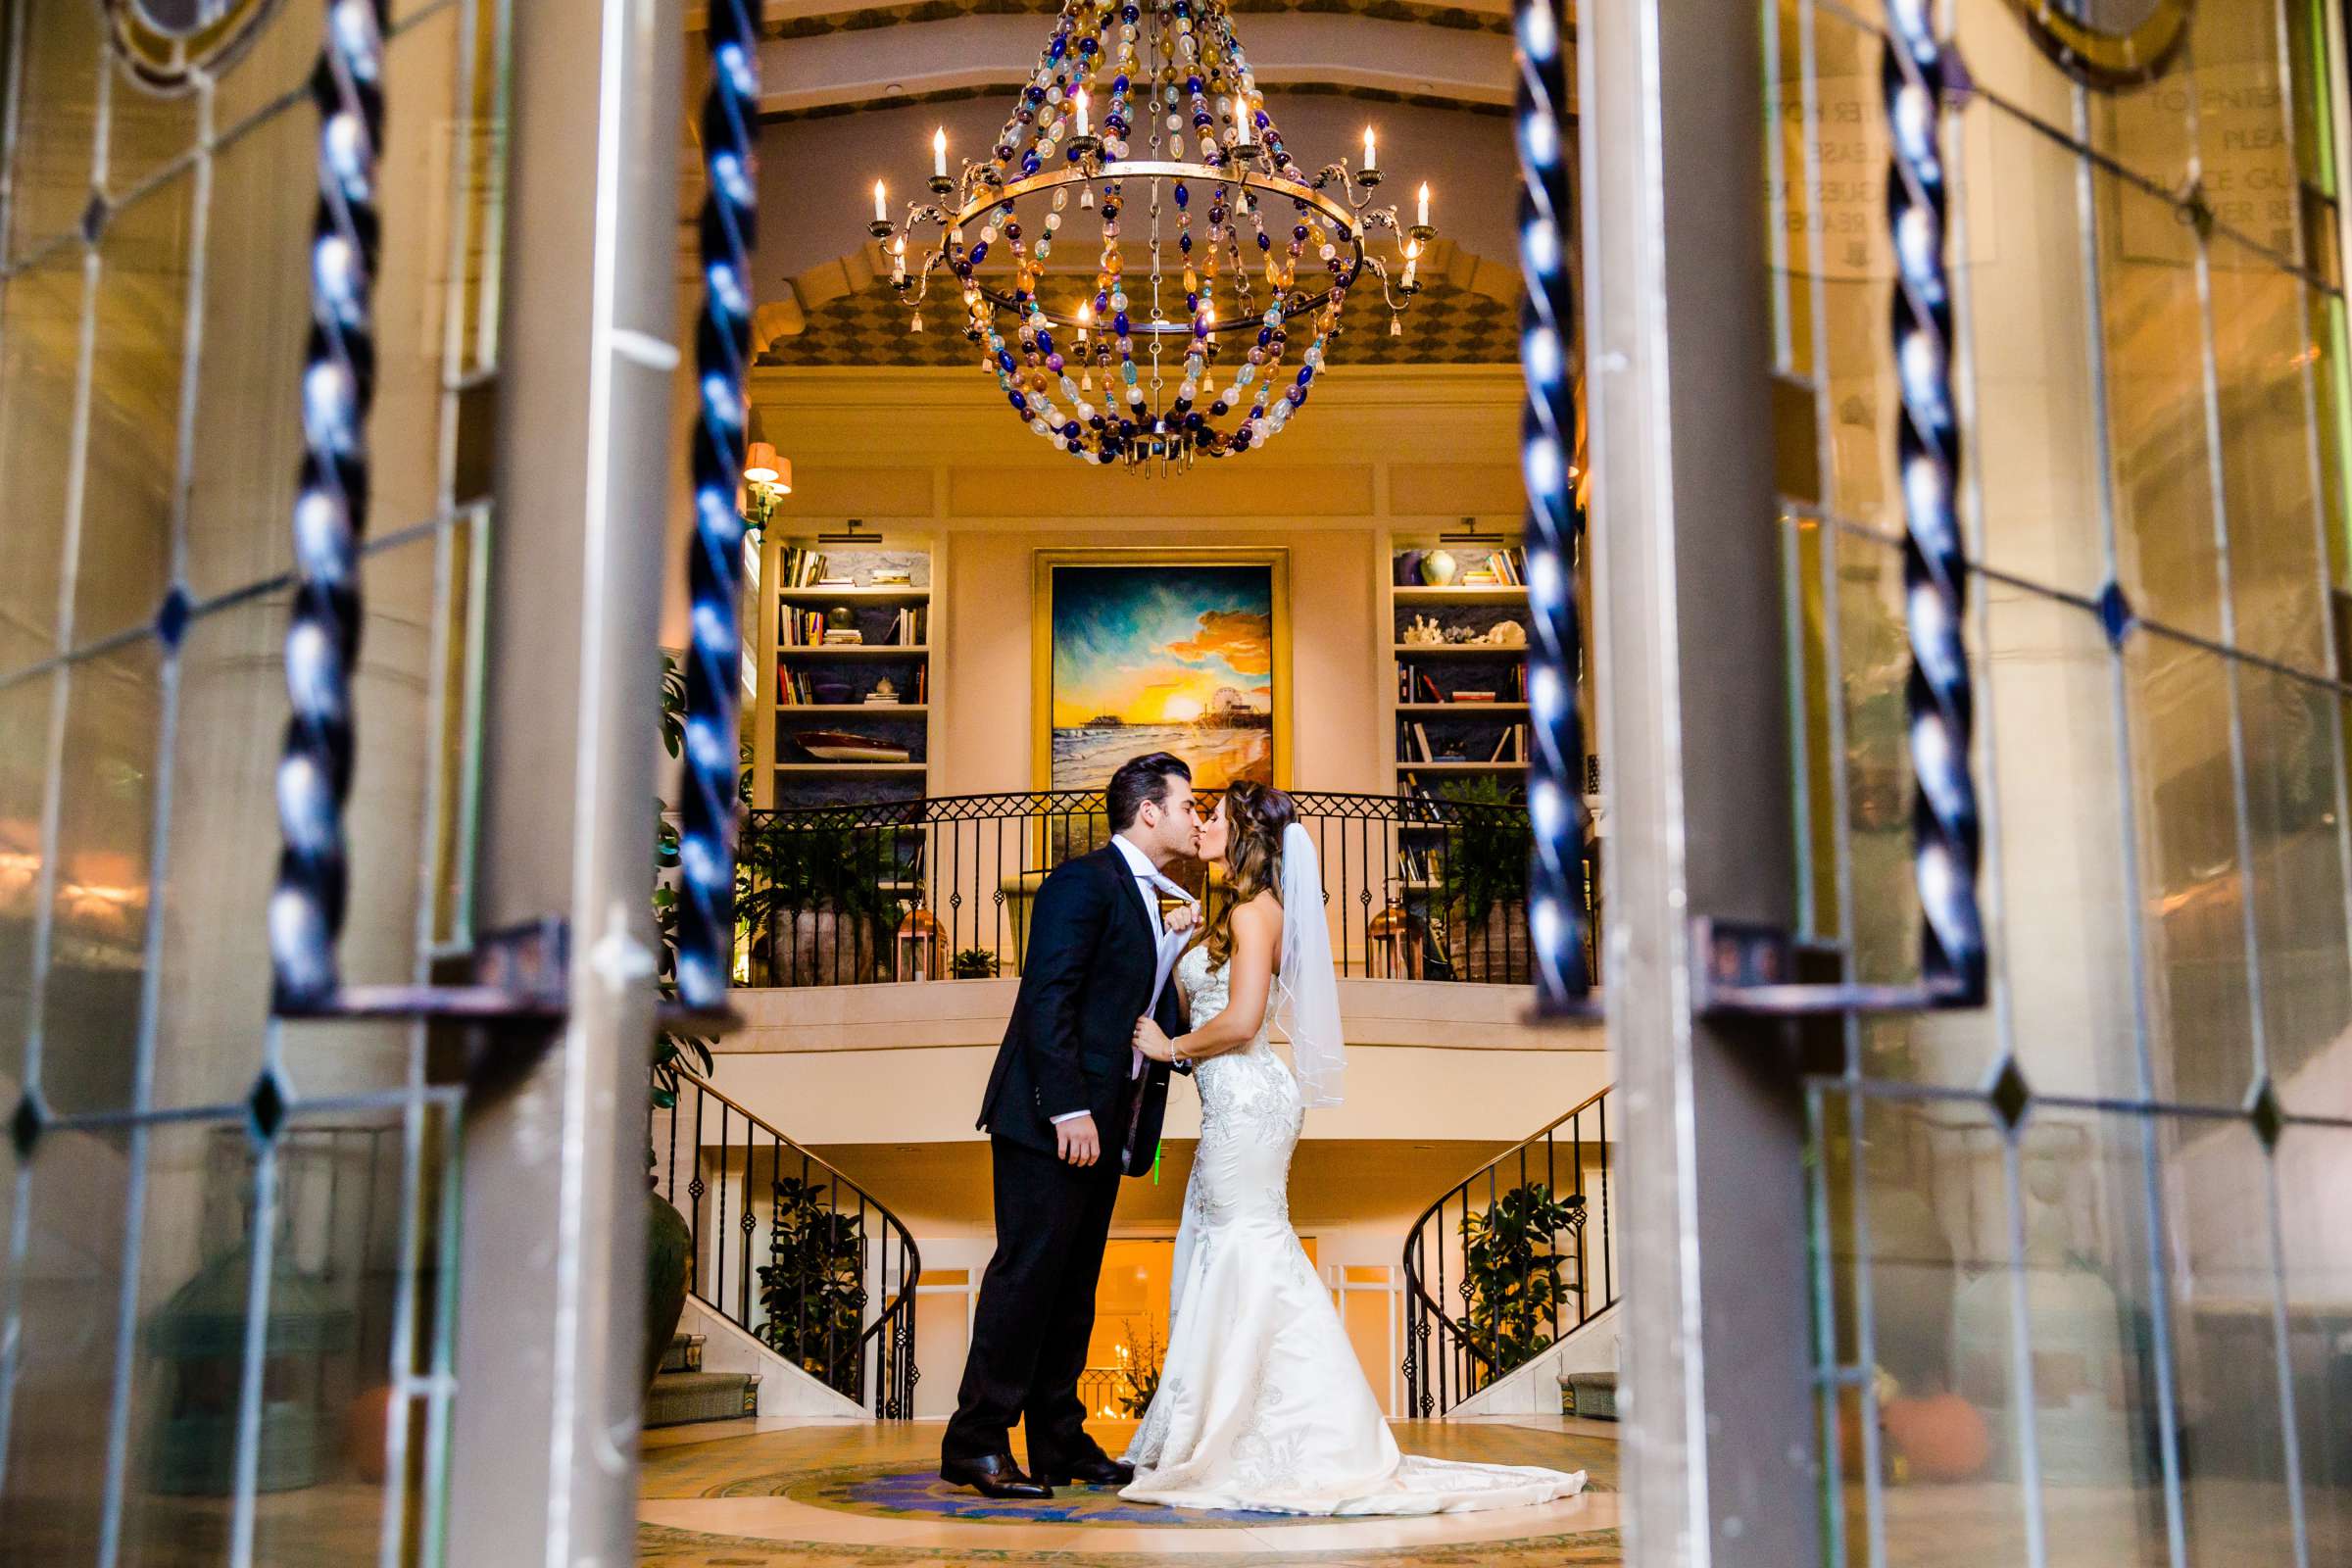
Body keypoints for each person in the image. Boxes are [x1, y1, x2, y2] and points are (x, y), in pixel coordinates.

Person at [1122, 781, 1587, 1515]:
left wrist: (1168, 1045)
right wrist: (1179, 942)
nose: (1203, 827)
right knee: (1236, 1251)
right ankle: (1241, 1425)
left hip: (1246, 1100)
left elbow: (1242, 1021)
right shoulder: (1238, 913)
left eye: (1216, 819)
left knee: (1248, 1249)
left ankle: (1277, 1433)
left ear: (1245, 835)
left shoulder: (1249, 913)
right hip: (1240, 1102)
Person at [940, 752, 1203, 1498]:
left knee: (1072, 1286)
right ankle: (975, 1442)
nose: (1196, 816)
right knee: (1025, 1279)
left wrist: (1176, 942)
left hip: (1105, 1124)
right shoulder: (1081, 880)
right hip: (1050, 1120)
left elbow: (1133, 1006)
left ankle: (1056, 1440)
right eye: (1188, 803)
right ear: (1149, 811)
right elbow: (1046, 997)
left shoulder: (1155, 898)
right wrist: (1068, 1107)